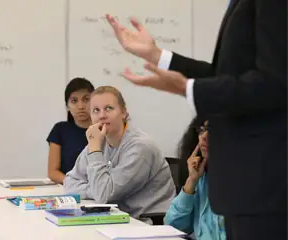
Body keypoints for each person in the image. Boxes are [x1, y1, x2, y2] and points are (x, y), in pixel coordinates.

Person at [105, 1, 287, 239]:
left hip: (265, 186)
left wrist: (191, 88)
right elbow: (228, 76)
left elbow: (276, 83)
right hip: (247, 191)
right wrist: (159, 57)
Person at [63, 86, 176, 219]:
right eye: (96, 110)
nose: (102, 116)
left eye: (109, 108)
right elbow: (69, 182)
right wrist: (95, 189)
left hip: (148, 223)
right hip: (118, 218)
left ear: (123, 112)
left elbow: (103, 195)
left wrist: (95, 150)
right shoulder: (99, 142)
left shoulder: (140, 147)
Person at [164, 119, 226, 240]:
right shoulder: (201, 175)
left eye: (212, 131)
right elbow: (173, 226)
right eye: (202, 130)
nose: (204, 137)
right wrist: (191, 181)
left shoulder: (244, 179)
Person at [46, 77, 94, 184]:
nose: (80, 106)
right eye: (74, 101)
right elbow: (53, 172)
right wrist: (76, 185)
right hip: (69, 190)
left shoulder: (104, 130)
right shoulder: (60, 130)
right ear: (67, 106)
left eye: (86, 99)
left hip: (101, 190)